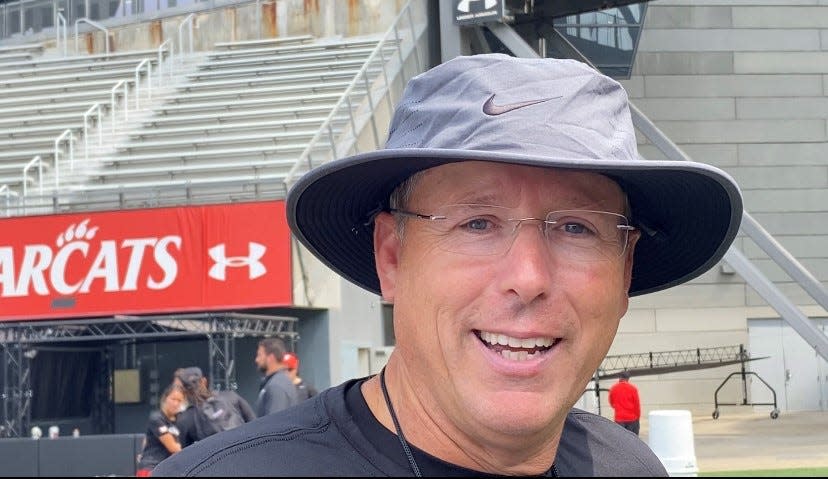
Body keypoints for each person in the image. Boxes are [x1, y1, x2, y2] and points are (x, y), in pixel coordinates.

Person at [154, 53, 742, 476]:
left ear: (625, 273)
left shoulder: (627, 467)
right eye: (477, 224)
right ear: (392, 258)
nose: (529, 277)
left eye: (576, 227)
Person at [174, 367, 255, 447]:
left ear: (183, 390)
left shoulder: (185, 419)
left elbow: (186, 454)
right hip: (247, 453)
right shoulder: (230, 396)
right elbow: (254, 422)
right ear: (204, 381)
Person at [136, 384, 185, 476]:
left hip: (167, 468)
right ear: (165, 399)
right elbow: (173, 448)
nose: (176, 403)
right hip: (151, 468)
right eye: (173, 399)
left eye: (179, 400)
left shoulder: (180, 419)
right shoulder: (157, 418)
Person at [253, 337, 300, 416]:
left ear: (271, 358)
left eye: (259, 355)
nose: (256, 360)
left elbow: (274, 423)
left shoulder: (276, 386)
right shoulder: (277, 381)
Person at [609, 371, 642, 436]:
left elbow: (612, 403)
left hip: (619, 419)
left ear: (619, 378)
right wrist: (637, 417)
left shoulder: (613, 388)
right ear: (628, 378)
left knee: (621, 440)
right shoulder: (633, 389)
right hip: (632, 419)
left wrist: (618, 408)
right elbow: (637, 405)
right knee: (633, 439)